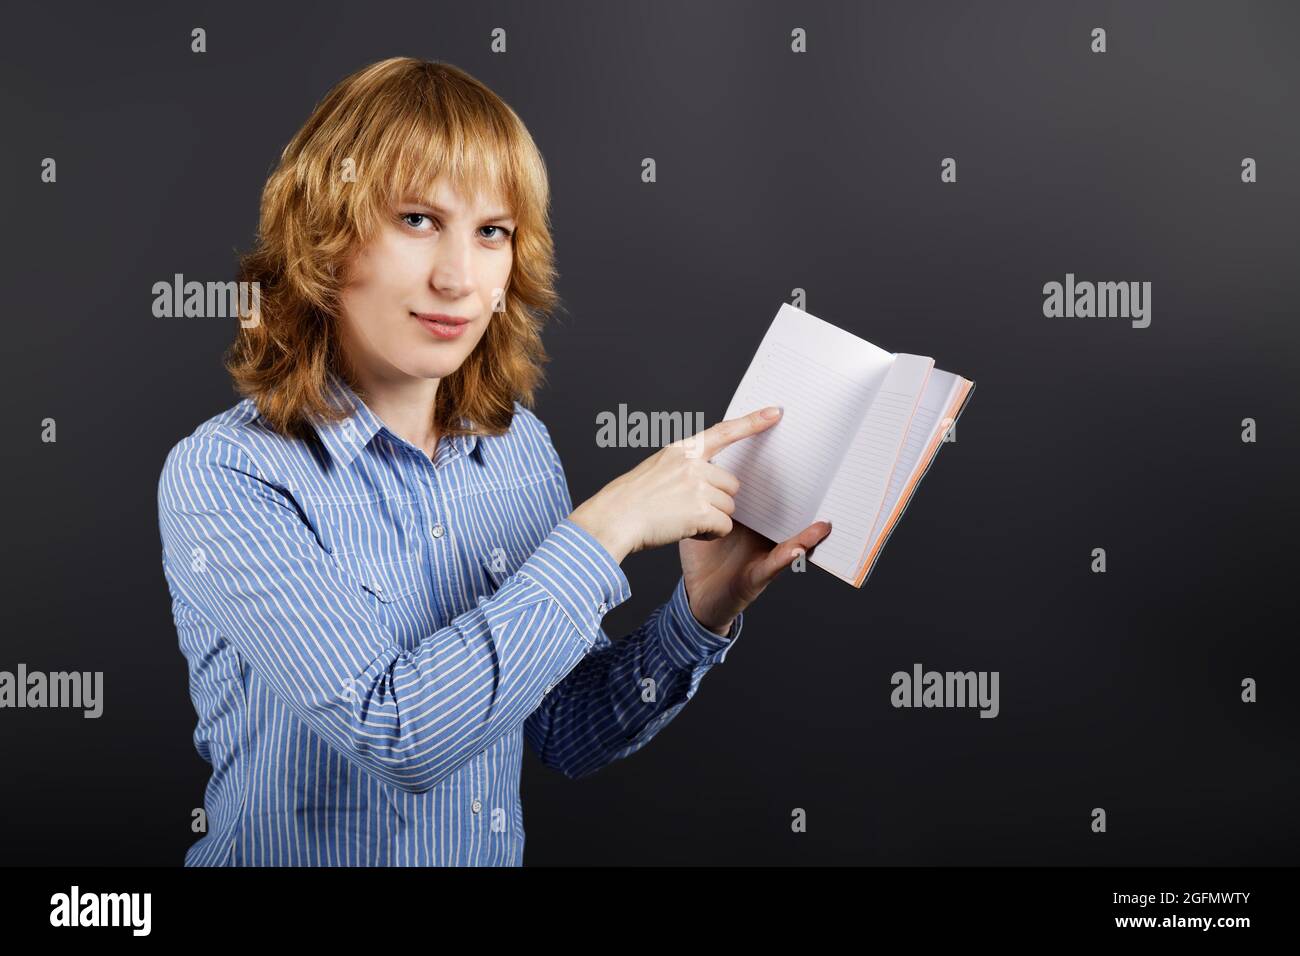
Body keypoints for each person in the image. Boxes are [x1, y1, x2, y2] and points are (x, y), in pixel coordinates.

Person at [156, 57, 831, 866]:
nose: (457, 278)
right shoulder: (228, 476)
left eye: (491, 232)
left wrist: (697, 618)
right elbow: (397, 731)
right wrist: (602, 530)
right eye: (416, 219)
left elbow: (563, 732)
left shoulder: (520, 453)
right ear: (324, 237)